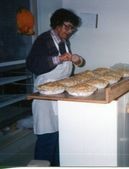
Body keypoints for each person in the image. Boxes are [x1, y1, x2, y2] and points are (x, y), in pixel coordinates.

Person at [26, 8, 85, 166]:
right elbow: (32, 64)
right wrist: (58, 59)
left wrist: (76, 60)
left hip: (60, 90)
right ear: (57, 25)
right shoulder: (43, 40)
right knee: (47, 136)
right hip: (45, 93)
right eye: (67, 27)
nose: (70, 31)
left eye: (72, 28)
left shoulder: (64, 41)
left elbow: (66, 66)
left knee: (60, 134)